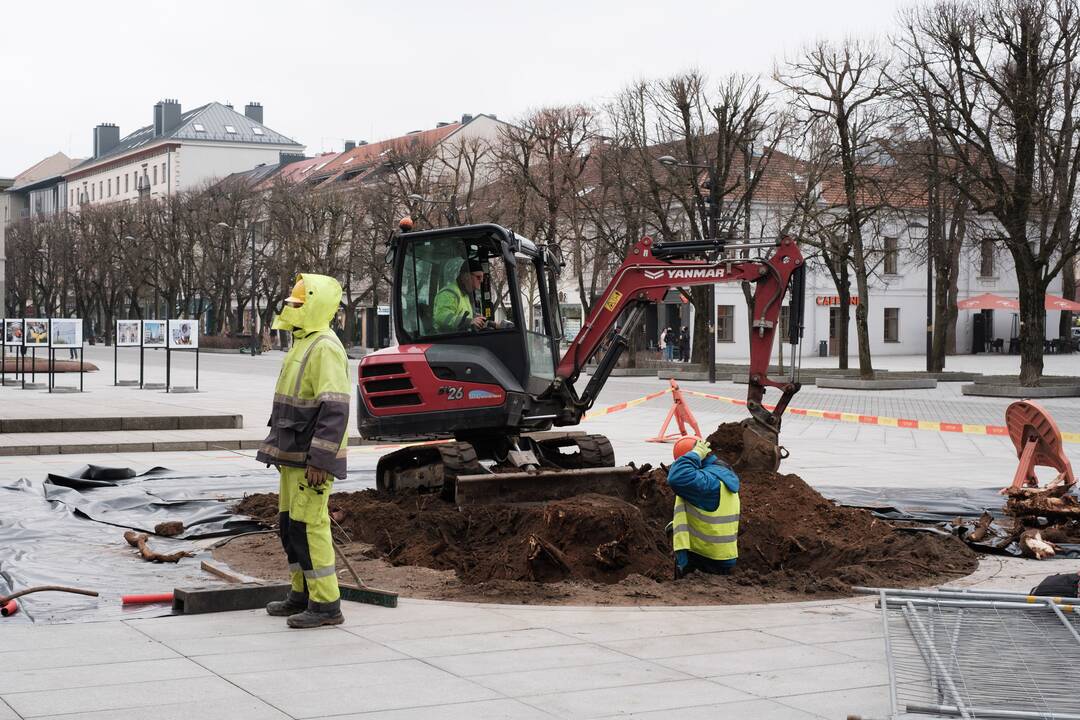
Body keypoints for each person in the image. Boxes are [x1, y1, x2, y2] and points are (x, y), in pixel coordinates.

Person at [257, 274, 351, 628]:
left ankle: (327, 604)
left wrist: (321, 461)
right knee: (290, 526)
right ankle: (301, 593)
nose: (292, 309)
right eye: (292, 303)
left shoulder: (324, 346)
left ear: (315, 306)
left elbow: (335, 409)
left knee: (310, 527)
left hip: (311, 461)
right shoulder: (302, 342)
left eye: (299, 304)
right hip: (292, 456)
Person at [666, 436, 740, 578]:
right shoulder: (721, 474)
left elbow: (676, 477)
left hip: (704, 558)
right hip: (720, 555)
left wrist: (694, 454)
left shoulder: (708, 483)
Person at [433, 258, 487, 333]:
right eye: (478, 277)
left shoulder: (465, 295)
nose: (481, 282)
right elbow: (441, 316)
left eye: (482, 278)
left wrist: (479, 320)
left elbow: (464, 316)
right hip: (447, 341)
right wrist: (468, 322)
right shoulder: (449, 293)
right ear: (466, 276)